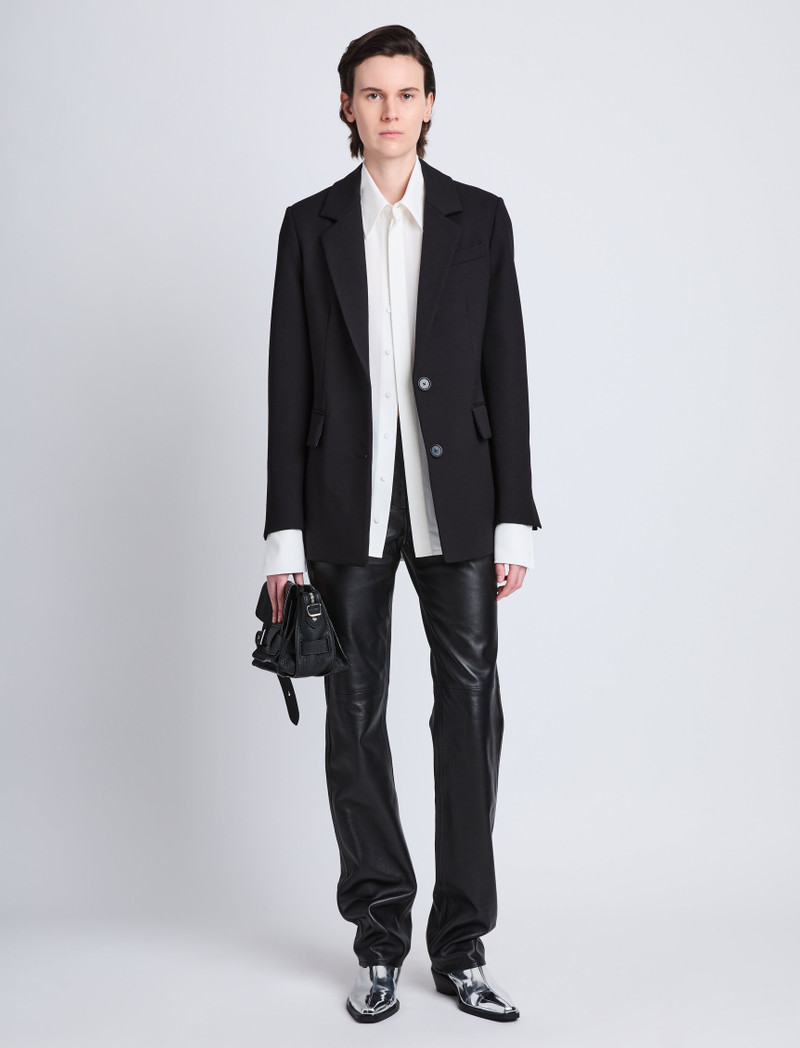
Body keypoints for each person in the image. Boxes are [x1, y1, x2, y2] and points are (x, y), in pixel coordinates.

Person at [261, 24, 542, 1024]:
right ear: (346, 106)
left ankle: (460, 944)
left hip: (456, 503)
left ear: (430, 104)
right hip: (342, 503)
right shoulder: (309, 227)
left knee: (469, 713)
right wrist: (283, 540)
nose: (390, 110)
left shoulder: (479, 218)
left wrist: (514, 518)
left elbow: (505, 369)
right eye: (372, 93)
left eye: (407, 92)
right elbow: (287, 384)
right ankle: (380, 939)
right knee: (353, 715)